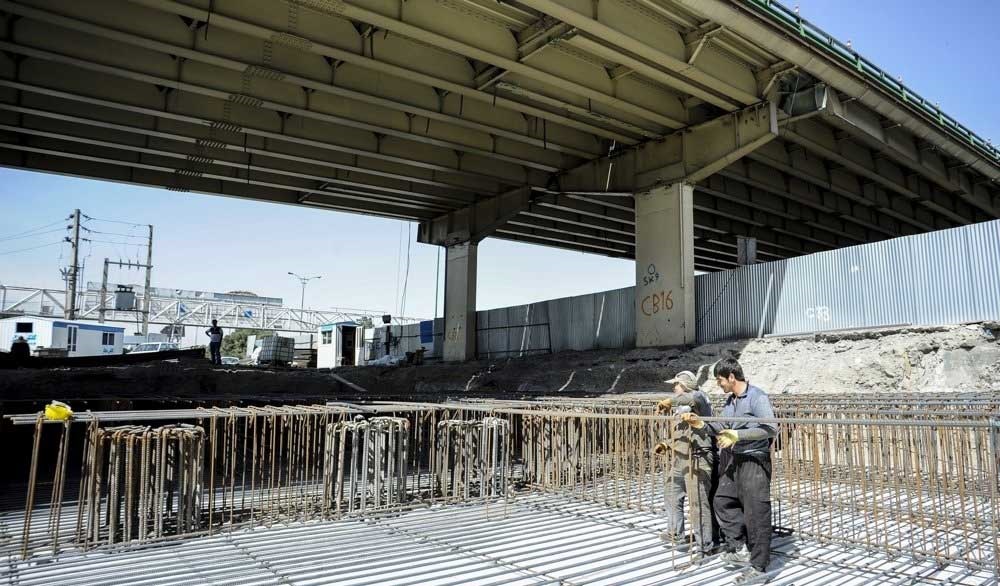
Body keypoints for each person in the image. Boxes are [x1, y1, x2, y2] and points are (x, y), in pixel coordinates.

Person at [682, 357, 777, 585]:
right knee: (722, 500)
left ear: (732, 377)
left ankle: (759, 567)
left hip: (754, 459)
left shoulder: (757, 397)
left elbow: (770, 428)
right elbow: (723, 426)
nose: (719, 385)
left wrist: (739, 435)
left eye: (720, 380)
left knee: (756, 513)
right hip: (735, 459)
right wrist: (701, 423)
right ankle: (740, 546)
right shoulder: (731, 402)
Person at [652, 370, 718, 562]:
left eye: (677, 385)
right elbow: (681, 433)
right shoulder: (681, 407)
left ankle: (705, 547)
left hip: (698, 457)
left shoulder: (699, 398)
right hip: (680, 457)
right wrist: (666, 444)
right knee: (671, 492)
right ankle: (676, 532)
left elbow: (692, 397)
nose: (674, 388)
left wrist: (670, 401)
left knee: (697, 502)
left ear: (685, 386)